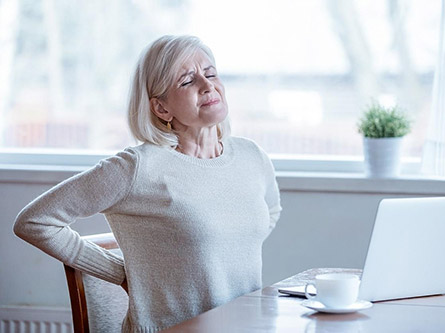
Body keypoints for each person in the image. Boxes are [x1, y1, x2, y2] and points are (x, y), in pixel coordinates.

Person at [13, 35, 281, 332]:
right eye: (187, 80)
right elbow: (34, 222)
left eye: (210, 73)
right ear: (161, 108)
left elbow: (271, 211)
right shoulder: (138, 168)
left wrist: (225, 243)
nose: (208, 86)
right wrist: (120, 272)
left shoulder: (251, 156)